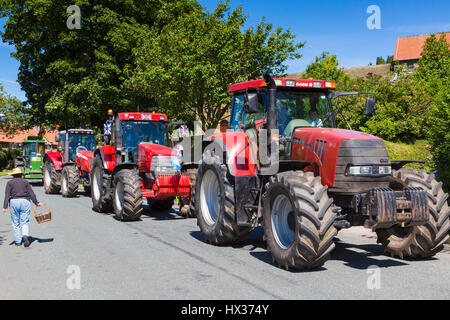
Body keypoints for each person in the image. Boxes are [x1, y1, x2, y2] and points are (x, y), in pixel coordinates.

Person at [3, 168, 42, 247]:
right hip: (25, 201)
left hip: (14, 202)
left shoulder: (9, 183)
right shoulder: (25, 182)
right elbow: (31, 193)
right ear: (21, 175)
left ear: (13, 175)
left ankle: (17, 241)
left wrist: (5, 206)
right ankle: (25, 235)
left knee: (15, 222)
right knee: (25, 221)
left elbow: (7, 195)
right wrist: (36, 202)